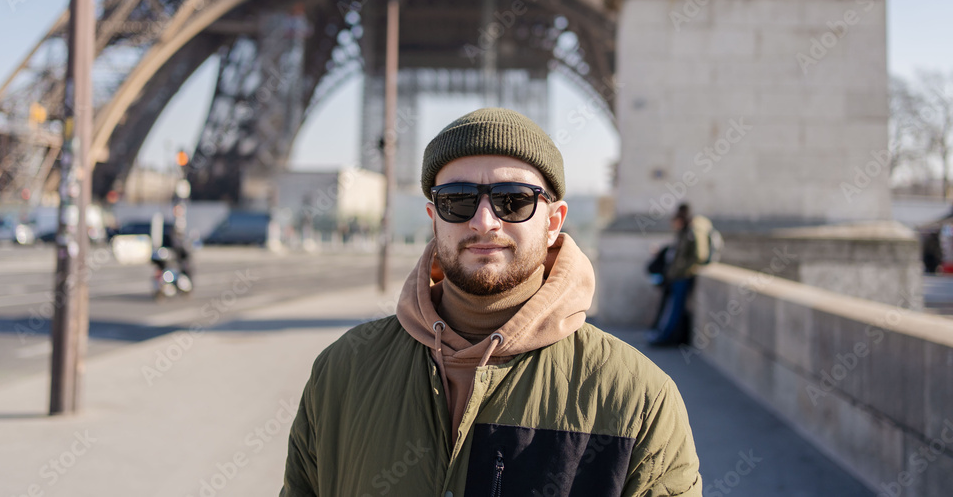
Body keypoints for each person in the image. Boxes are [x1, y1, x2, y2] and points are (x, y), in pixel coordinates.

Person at [281, 108, 701, 496]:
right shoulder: (338, 372)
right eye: (458, 200)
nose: (484, 221)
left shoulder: (641, 400)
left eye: (514, 200)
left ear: (553, 222)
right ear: (434, 219)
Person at [647, 204, 713, 346]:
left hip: (683, 276)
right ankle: (666, 335)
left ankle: (668, 338)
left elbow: (700, 255)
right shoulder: (685, 231)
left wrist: (682, 270)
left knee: (676, 309)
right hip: (679, 276)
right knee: (673, 308)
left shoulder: (693, 231)